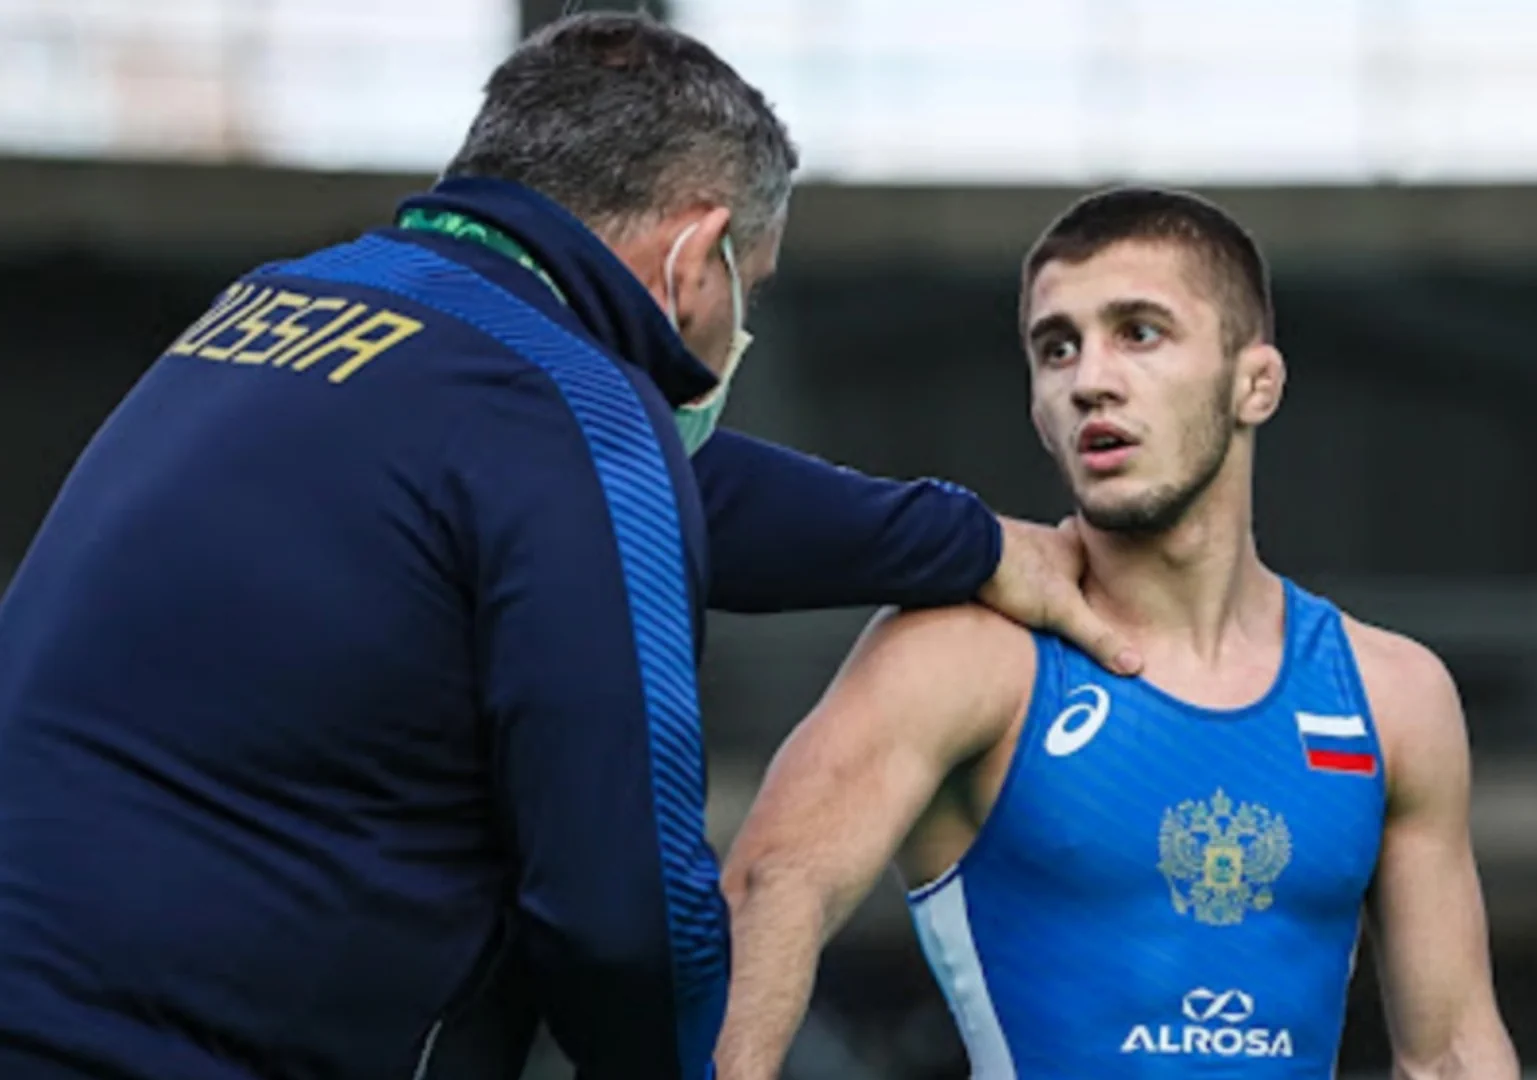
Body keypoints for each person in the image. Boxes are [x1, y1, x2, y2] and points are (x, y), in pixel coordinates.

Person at [0, 14, 1137, 1080]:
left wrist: (969, 543)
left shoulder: (294, 306)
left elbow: (663, 490)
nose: (734, 331)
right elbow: (623, 918)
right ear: (697, 255)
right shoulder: (569, 414)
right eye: (748, 291)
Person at [716, 187, 1521, 1080]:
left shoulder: (1392, 694)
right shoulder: (966, 657)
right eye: (1056, 348)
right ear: (1038, 410)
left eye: (1139, 332)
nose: (1089, 380)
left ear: (1255, 384)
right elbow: (770, 885)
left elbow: (1453, 1053)